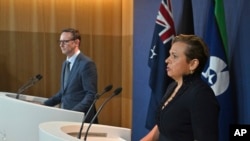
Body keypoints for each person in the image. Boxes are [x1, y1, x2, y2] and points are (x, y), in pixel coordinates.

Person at [141, 34, 220, 141]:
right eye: (169, 55)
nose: (167, 60)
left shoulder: (201, 95)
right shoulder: (173, 86)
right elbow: (161, 127)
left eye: (174, 56)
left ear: (193, 64)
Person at [44, 28, 98, 123]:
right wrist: (44, 105)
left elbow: (91, 95)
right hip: (66, 115)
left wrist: (73, 113)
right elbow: (63, 93)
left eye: (65, 41)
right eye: (60, 42)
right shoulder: (65, 63)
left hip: (81, 119)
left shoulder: (86, 64)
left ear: (76, 42)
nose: (61, 45)